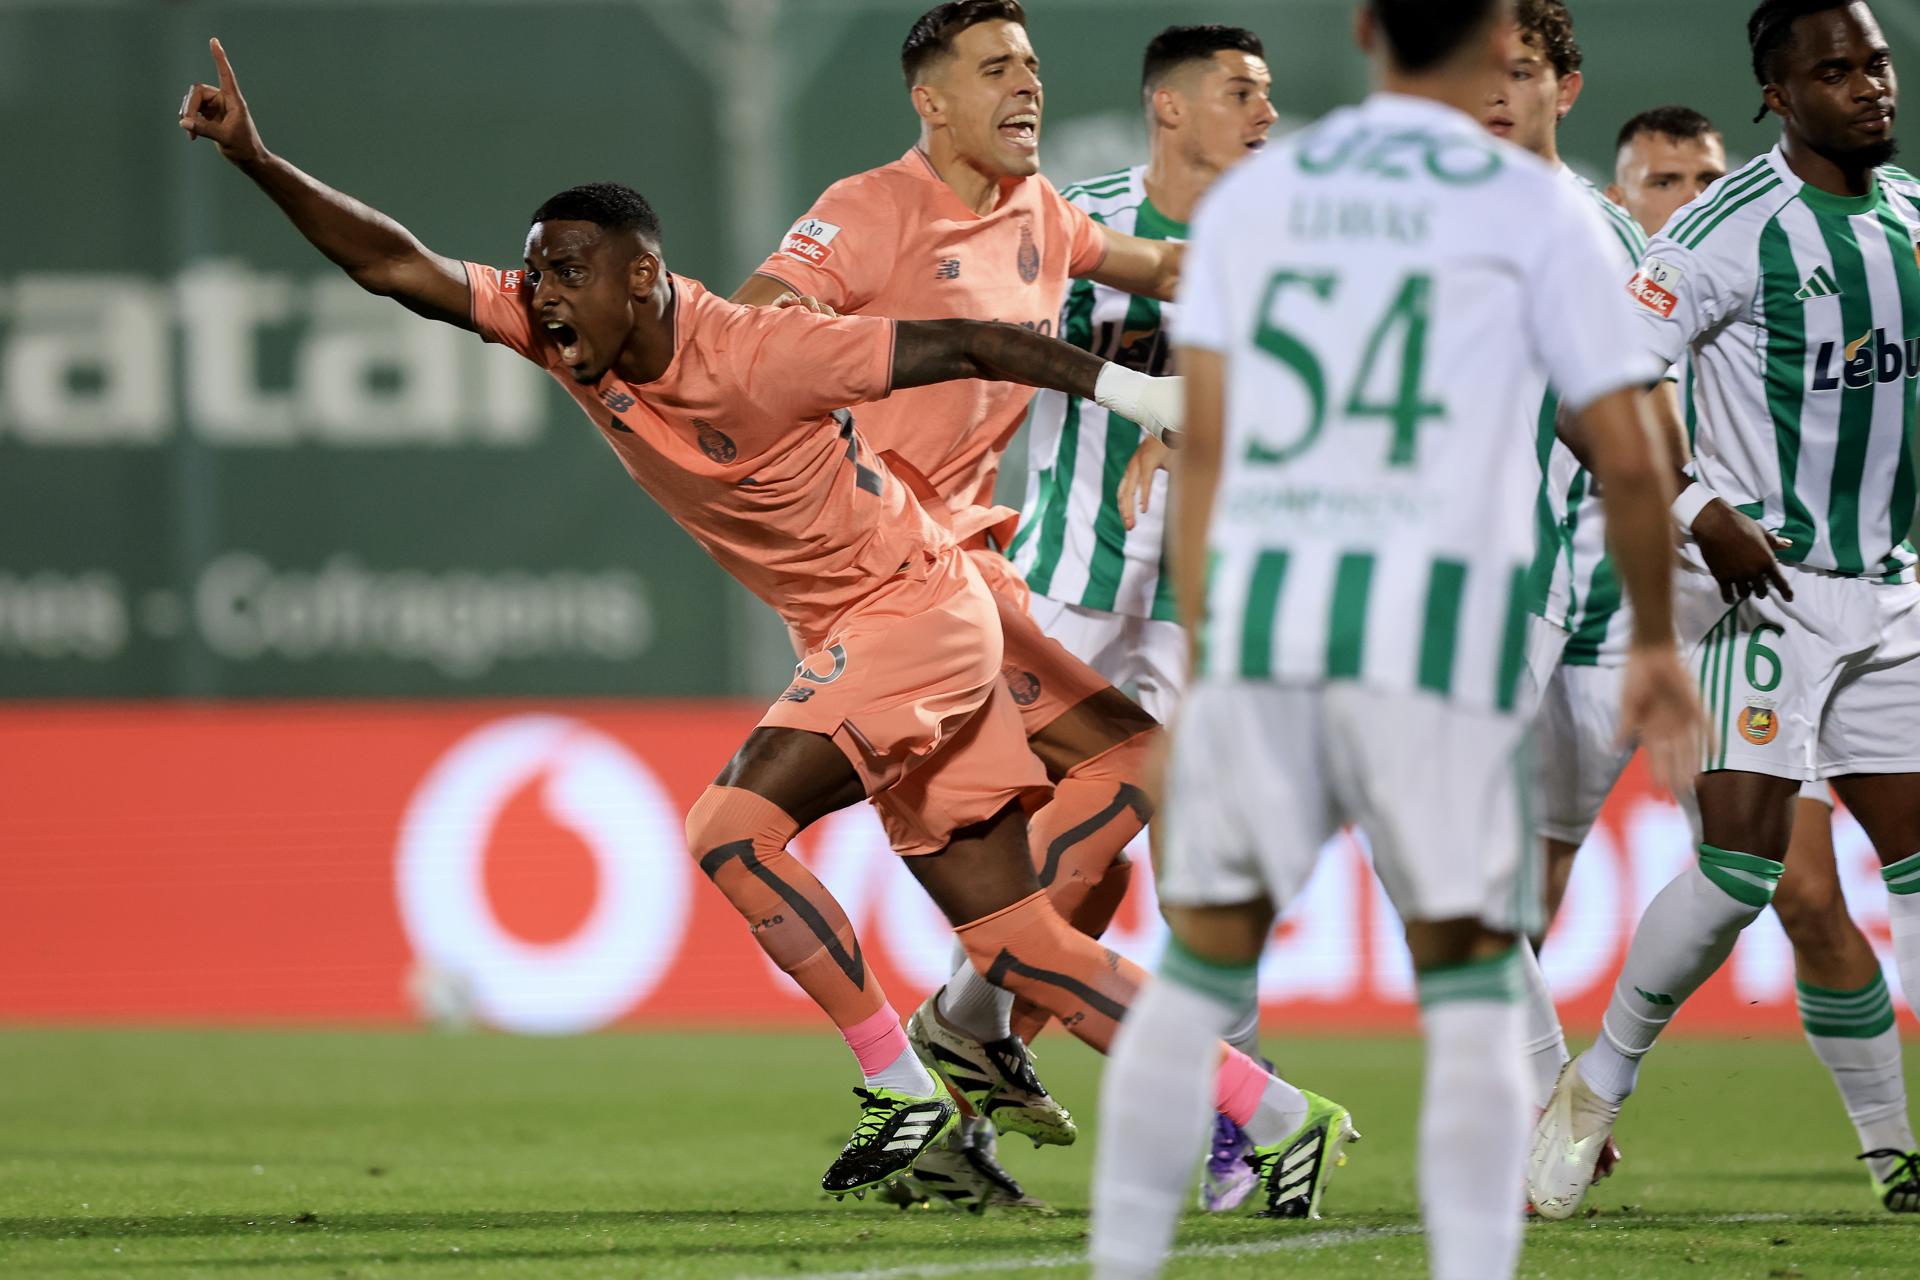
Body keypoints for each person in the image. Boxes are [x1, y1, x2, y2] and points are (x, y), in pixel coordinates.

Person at [179, 32, 1311, 1209]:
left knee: (732, 828)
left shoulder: (763, 354)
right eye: (534, 274)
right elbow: (393, 265)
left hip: (916, 607)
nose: (540, 295)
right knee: (1024, 935)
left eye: (565, 272)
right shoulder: (565, 334)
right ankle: (1275, 1114)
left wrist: (1144, 390)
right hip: (876, 620)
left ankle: (905, 1087)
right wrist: (256, 158)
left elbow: (975, 341)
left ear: (642, 278)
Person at [1088, 0, 1704, 1273]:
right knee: (1470, 982)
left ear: (1366, 28)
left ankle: (1123, 1259)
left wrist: (1205, 648)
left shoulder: (1266, 195)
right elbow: (1637, 456)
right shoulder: (1538, 211)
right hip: (1435, 638)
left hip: (1270, 630)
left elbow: (1206, 443)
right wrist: (1653, 639)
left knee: (1197, 969)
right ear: (1486, 43)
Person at [731, 0, 1345, 1213]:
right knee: (1070, 861)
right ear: (931, 100)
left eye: (1031, 65)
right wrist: (803, 361)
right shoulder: (869, 207)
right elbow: (753, 324)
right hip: (894, 588)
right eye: (994, 68)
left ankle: (971, 1067)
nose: (1026, 86)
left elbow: (1170, 268)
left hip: (968, 580)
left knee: (1107, 831)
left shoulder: (1045, 217)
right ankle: (1002, 1057)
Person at [1529, 0, 1920, 1220]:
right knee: (1744, 870)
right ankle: (1597, 1084)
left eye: (1877, 63)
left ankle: (1894, 1153)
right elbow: (1584, 391)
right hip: (1769, 592)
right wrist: (1700, 506)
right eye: (1836, 71)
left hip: (1896, 591)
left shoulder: (1913, 218)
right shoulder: (1725, 230)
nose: (1869, 86)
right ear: (1777, 95)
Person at [1006, 20, 1280, 1215]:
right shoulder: (1084, 225)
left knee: (1204, 881)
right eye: (1241, 92)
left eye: (1267, 92)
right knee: (1035, 871)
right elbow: (1001, 350)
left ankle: (1234, 1127)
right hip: (1063, 590)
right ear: (1170, 107)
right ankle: (971, 1092)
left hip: (1199, 608)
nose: (1267, 113)